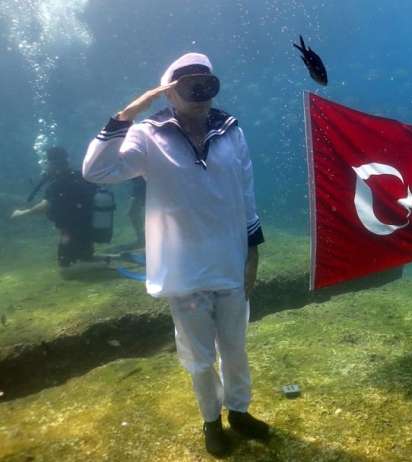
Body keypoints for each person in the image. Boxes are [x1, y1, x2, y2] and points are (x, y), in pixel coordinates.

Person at [81, 52, 267, 457]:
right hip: (183, 270)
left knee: (235, 347)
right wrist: (130, 111)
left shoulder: (231, 130)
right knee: (199, 356)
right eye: (188, 86)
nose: (200, 94)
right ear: (169, 91)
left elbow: (247, 193)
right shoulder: (148, 134)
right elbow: (96, 171)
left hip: (231, 263)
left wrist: (253, 254)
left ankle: (239, 411)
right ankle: (211, 421)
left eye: (207, 84)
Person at [10, 147, 102, 275]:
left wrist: (22, 214)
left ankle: (101, 264)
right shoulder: (80, 175)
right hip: (90, 226)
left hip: (70, 232)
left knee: (65, 268)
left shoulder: (56, 184)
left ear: (52, 164)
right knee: (85, 257)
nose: (45, 167)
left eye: (46, 164)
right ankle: (106, 260)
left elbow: (44, 206)